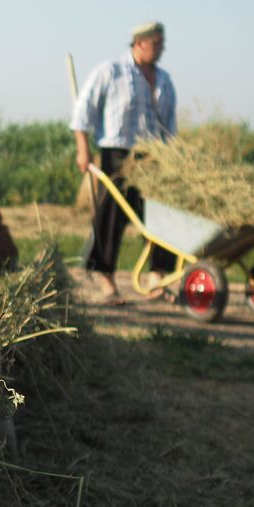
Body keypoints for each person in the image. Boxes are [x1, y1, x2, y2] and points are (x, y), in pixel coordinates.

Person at [71, 21, 176, 304]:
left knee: (159, 214)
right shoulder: (111, 71)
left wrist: (172, 158)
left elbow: (169, 125)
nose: (161, 49)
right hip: (118, 154)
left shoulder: (163, 79)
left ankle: (158, 275)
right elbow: (82, 114)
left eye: (162, 44)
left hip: (154, 156)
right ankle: (106, 279)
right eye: (157, 44)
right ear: (140, 43)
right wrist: (83, 150)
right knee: (111, 216)